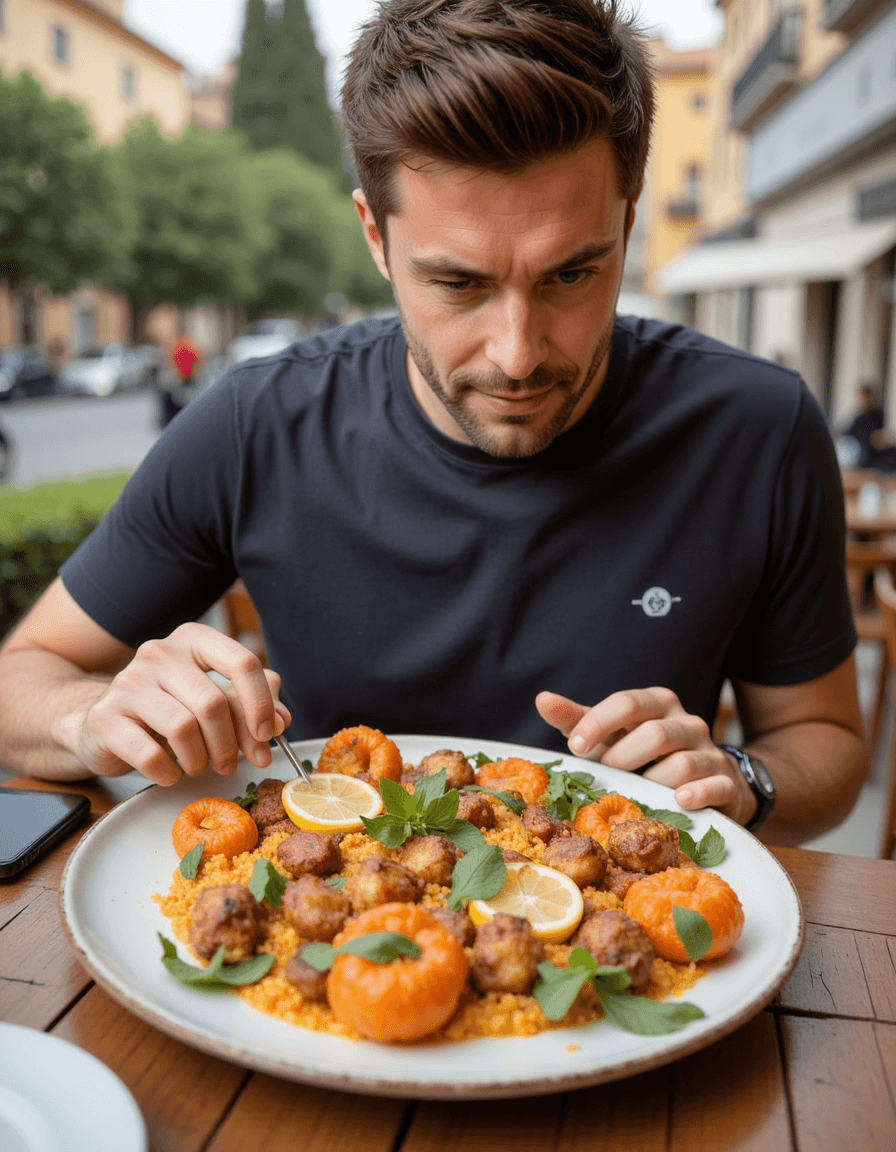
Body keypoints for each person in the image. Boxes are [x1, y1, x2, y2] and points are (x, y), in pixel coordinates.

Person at [0, 0, 865, 846]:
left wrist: (742, 777)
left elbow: (826, 747)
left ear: (629, 224)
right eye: (459, 284)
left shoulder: (761, 427)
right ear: (375, 236)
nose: (519, 354)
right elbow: (18, 681)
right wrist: (90, 716)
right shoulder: (252, 425)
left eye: (572, 275)